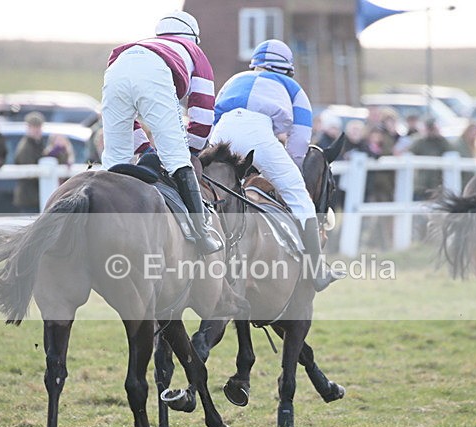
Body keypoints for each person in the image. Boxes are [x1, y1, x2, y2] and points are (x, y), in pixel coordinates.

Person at [210, 39, 342, 291]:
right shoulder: (292, 87)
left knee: (215, 195)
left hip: (222, 132)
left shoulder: (234, 79)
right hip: (257, 132)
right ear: (287, 69)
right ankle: (317, 272)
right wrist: (289, 171)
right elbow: (300, 139)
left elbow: (213, 118)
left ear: (255, 65)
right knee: (300, 198)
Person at [101, 10, 222, 255]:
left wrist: (145, 149)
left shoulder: (146, 44)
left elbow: (129, 121)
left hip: (116, 67)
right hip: (154, 71)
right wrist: (190, 152)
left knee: (114, 162)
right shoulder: (194, 51)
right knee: (177, 159)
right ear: (193, 37)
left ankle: (99, 230)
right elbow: (203, 115)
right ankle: (201, 235)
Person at [13, 111, 46, 213]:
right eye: (34, 127)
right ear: (28, 128)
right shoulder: (26, 147)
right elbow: (30, 172)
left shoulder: (37, 144)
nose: (37, 130)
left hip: (34, 197)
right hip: (29, 197)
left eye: (39, 126)